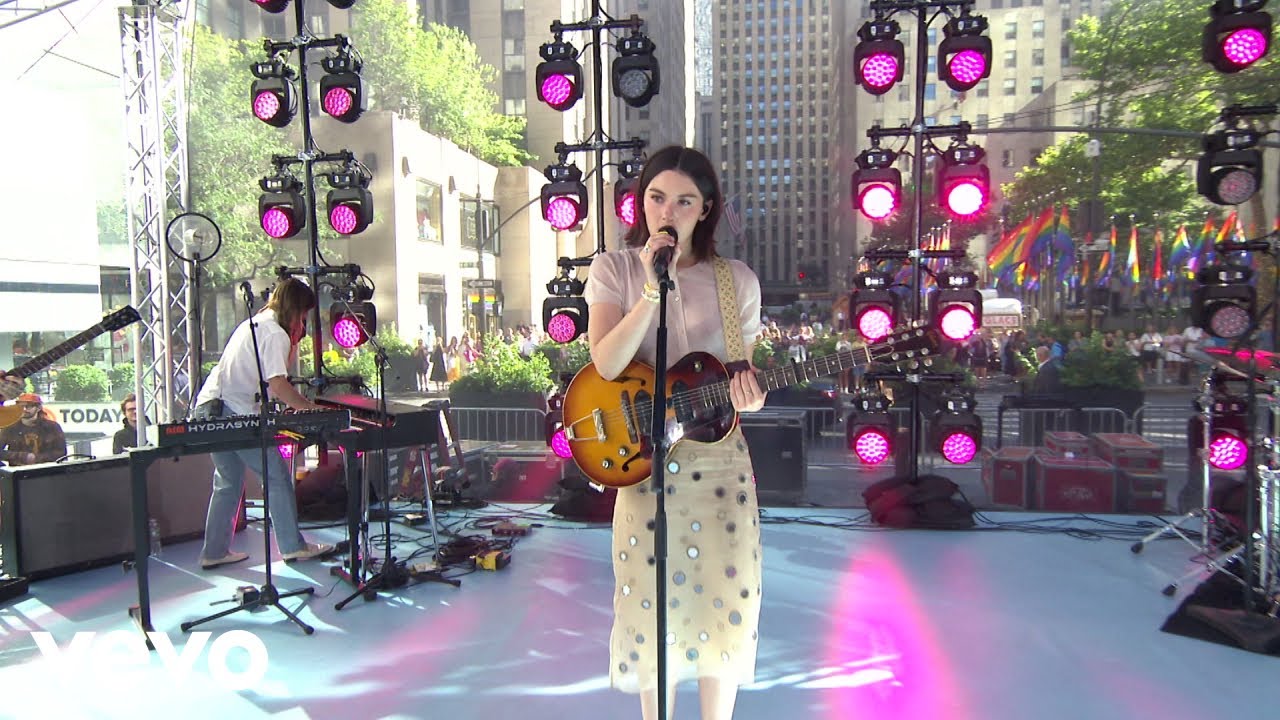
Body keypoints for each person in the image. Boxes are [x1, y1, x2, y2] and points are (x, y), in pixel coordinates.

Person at [584, 145, 765, 720]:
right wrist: (649, 290)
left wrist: (752, 396)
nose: (668, 210)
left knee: (725, 599)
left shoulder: (737, 281)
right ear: (641, 201)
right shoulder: (612, 269)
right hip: (647, 461)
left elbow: (741, 377)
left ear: (705, 210)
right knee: (650, 604)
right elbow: (606, 363)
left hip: (719, 466)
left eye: (685, 201)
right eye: (657, 197)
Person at [192, 277, 333, 570]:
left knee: (228, 482)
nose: (303, 322)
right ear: (297, 309)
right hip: (234, 412)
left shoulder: (255, 324)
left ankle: (214, 551)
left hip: (210, 407)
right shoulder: (274, 333)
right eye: (304, 315)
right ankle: (293, 546)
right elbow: (278, 384)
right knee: (277, 477)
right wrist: (309, 408)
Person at [0, 393, 67, 465]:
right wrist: (22, 456)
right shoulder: (10, 427)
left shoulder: (52, 427)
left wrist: (36, 458)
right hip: (18, 470)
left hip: (46, 469)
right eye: (20, 406)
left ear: (38, 408)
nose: (24, 409)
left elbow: (61, 453)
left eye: (28, 406)